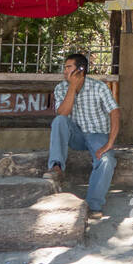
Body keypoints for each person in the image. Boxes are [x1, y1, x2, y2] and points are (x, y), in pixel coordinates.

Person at [49, 52, 119, 220]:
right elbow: (63, 113)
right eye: (64, 67)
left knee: (107, 160)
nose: (64, 71)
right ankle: (56, 166)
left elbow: (115, 113)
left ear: (81, 70)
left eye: (68, 67)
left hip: (97, 135)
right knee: (59, 121)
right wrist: (72, 87)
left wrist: (109, 143)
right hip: (76, 136)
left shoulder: (98, 87)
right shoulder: (61, 88)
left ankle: (93, 205)